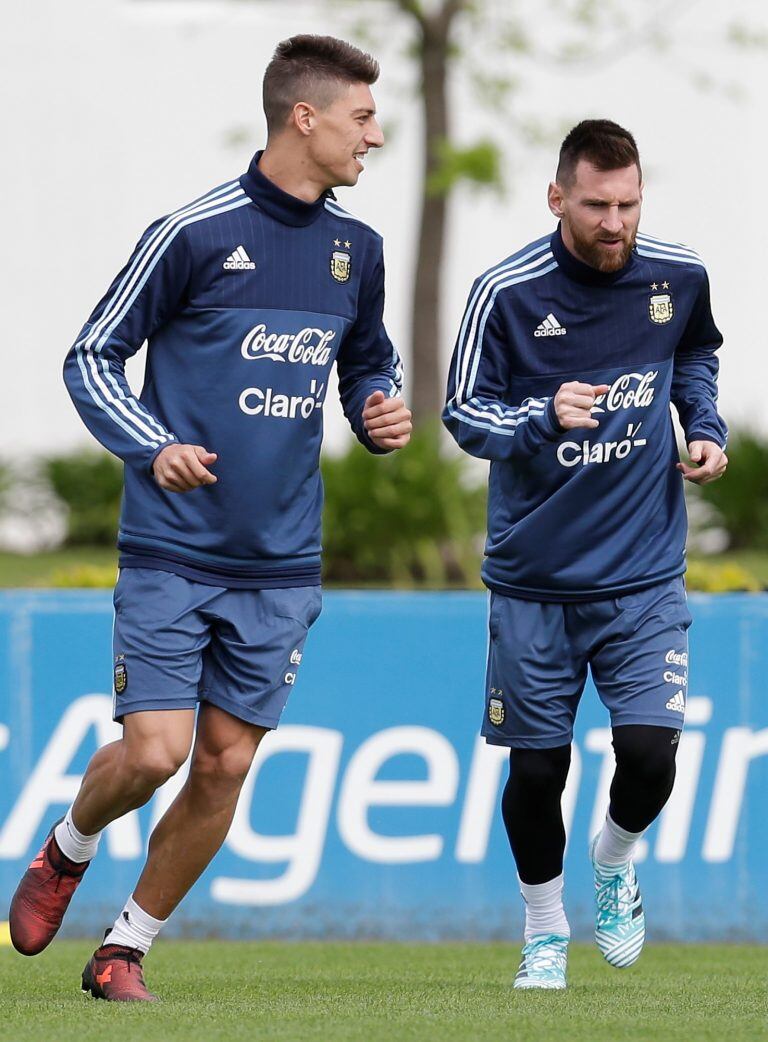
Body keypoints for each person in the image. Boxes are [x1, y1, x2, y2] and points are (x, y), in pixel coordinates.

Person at [9, 34, 411, 1001]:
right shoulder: (192, 232)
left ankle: (123, 951)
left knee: (225, 765)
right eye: (362, 117)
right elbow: (91, 358)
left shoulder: (359, 251)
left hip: (281, 562)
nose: (378, 135)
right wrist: (152, 444)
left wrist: (377, 405)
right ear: (303, 118)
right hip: (172, 550)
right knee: (158, 752)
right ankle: (66, 848)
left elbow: (367, 362)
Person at [443, 119, 727, 990]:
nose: (616, 222)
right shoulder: (507, 292)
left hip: (643, 575)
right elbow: (462, 413)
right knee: (538, 770)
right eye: (598, 205)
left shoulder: (676, 276)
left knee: (650, 755)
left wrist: (704, 427)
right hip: (534, 583)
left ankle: (614, 861)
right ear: (557, 197)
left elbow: (696, 356)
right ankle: (542, 930)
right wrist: (538, 416)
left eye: (629, 204)